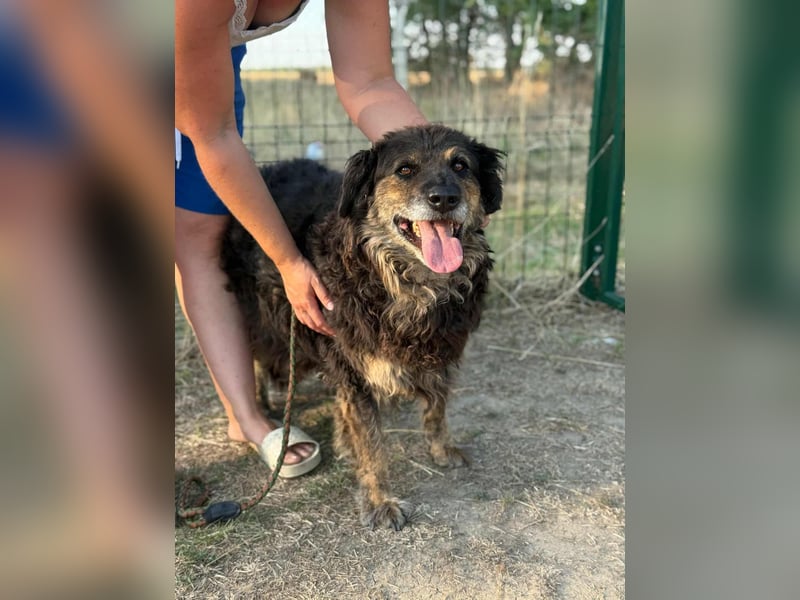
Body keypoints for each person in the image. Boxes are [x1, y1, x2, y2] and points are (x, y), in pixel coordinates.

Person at [175, 0, 428, 474]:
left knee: (198, 232)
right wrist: (288, 262)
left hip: (204, 63)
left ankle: (242, 417)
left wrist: (436, 180)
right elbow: (212, 136)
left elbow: (371, 83)